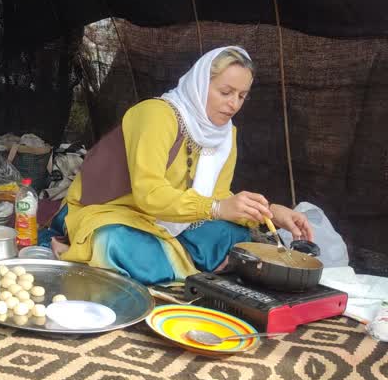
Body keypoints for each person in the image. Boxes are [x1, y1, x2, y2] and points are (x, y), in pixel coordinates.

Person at [49, 46, 314, 285]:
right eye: (225, 92)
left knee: (232, 234)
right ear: (200, 84)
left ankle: (171, 260)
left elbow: (218, 198)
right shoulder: (157, 115)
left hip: (171, 221)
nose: (233, 104)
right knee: (113, 242)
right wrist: (215, 208)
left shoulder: (224, 135)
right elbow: (149, 195)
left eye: (242, 96)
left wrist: (271, 214)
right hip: (112, 212)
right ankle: (180, 263)